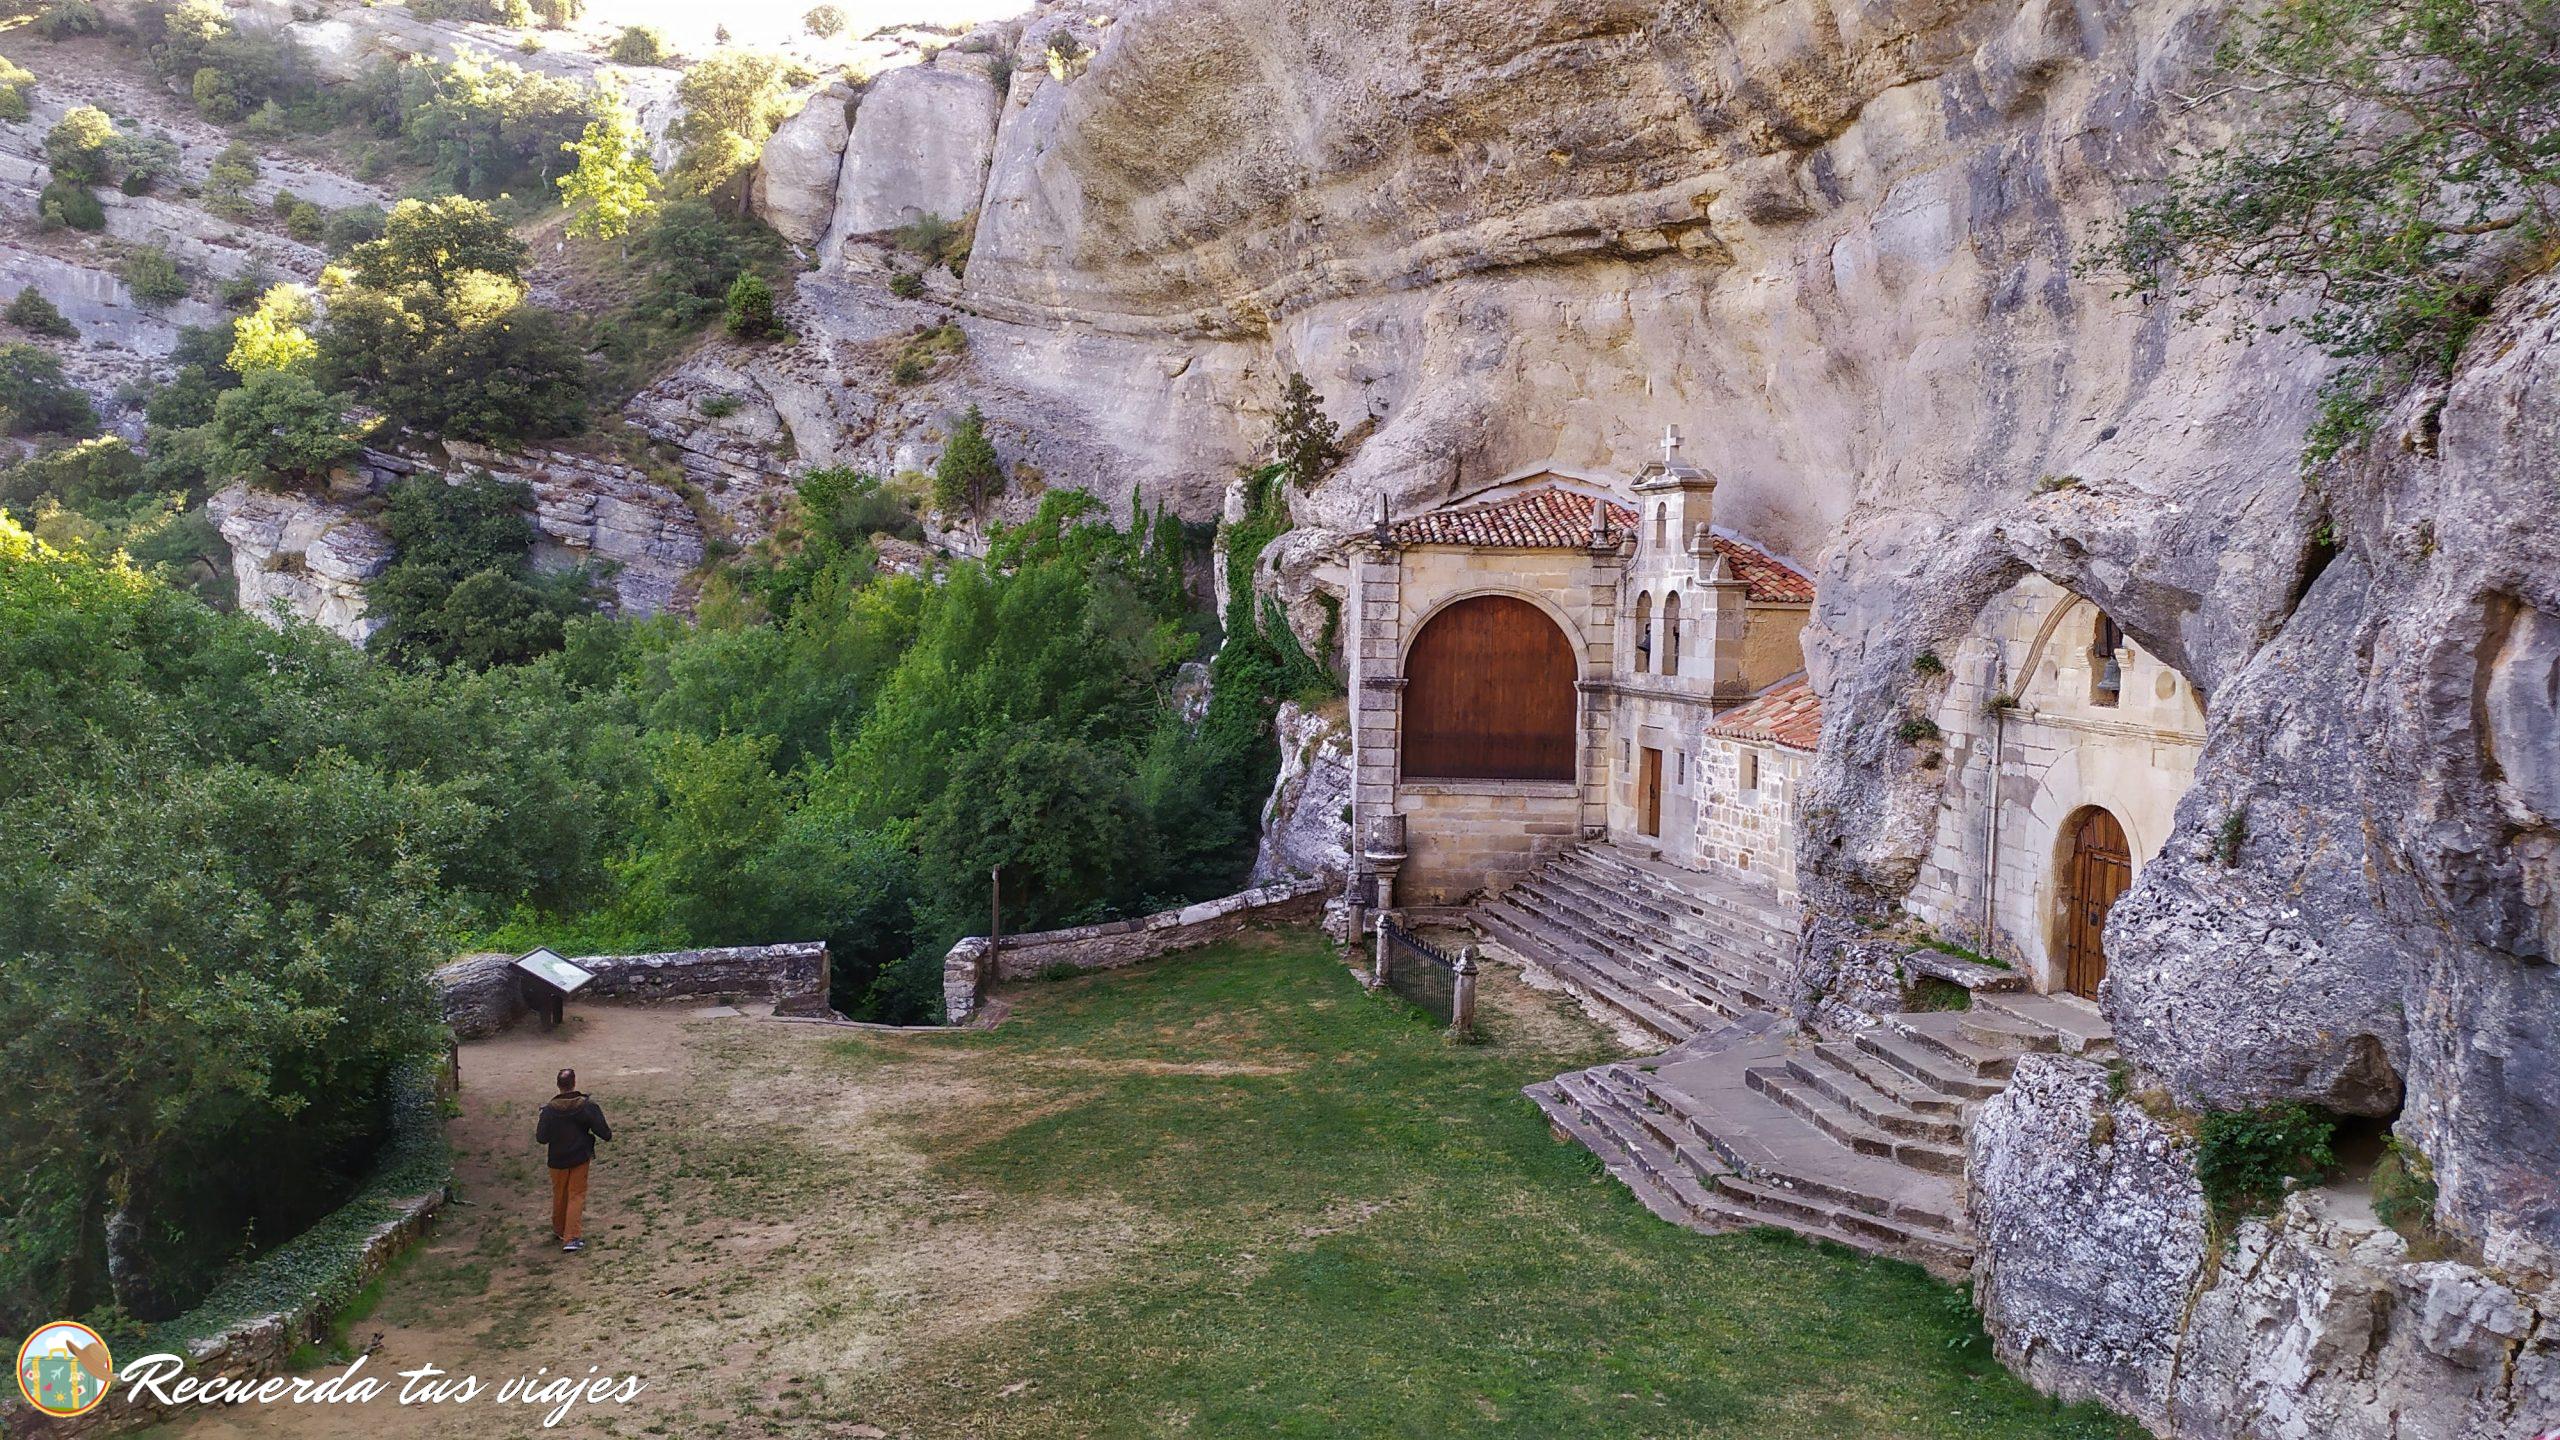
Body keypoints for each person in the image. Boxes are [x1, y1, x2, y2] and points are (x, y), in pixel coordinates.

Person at [534, 1067, 611, 1253]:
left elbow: (541, 1138)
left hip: (557, 1159)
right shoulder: (586, 1106)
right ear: (574, 1083)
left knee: (560, 1194)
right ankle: (572, 1237)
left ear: (558, 1085)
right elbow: (604, 1131)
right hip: (579, 1157)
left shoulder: (549, 1111)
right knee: (576, 1195)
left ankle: (560, 1229)